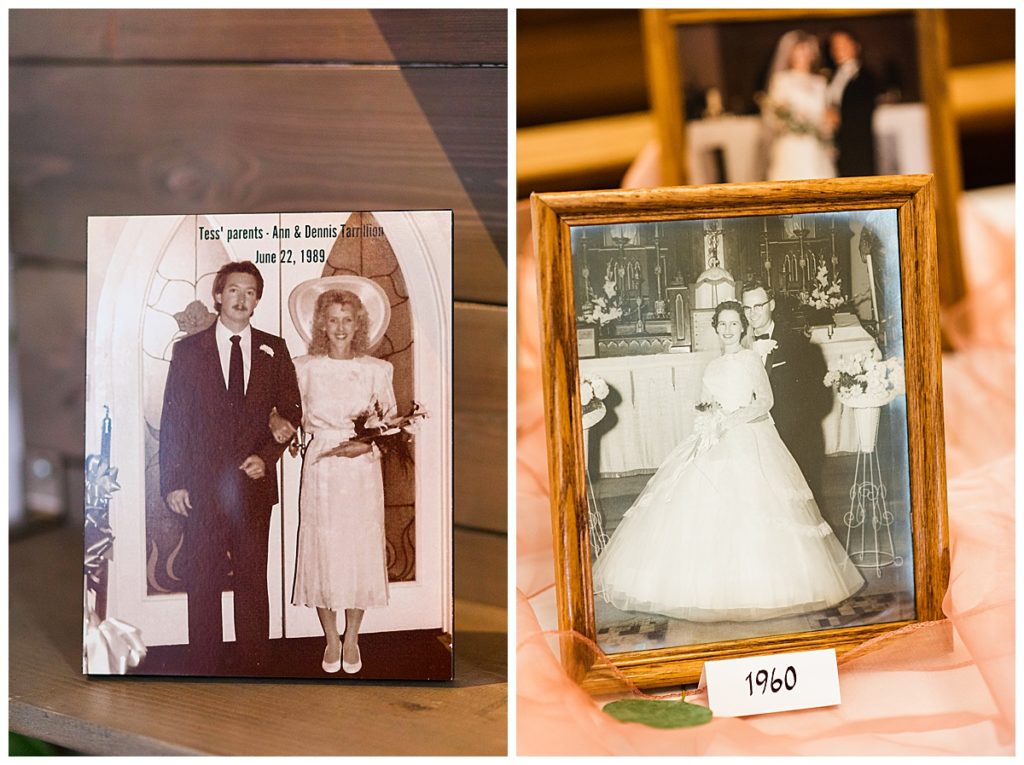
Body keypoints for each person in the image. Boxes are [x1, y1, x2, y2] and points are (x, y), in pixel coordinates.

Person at [592, 301, 862, 622]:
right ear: (716, 327)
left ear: (743, 328)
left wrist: (730, 421)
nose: (729, 330)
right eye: (723, 324)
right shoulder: (713, 366)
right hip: (715, 436)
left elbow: (765, 401)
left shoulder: (749, 360)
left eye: (735, 324)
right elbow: (706, 403)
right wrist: (708, 419)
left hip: (750, 435)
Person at [160, 261, 302, 674]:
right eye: (234, 290)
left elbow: (292, 409)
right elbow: (174, 422)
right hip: (201, 487)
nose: (242, 299)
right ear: (218, 296)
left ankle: (253, 662)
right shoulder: (188, 351)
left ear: (258, 300)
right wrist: (174, 482)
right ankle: (204, 664)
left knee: (252, 579)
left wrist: (268, 457)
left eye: (251, 292)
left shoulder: (274, 349)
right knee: (202, 579)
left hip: (252, 486)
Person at [271, 277, 395, 674]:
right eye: (333, 319)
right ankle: (330, 638)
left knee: (358, 547)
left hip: (361, 467)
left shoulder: (377, 369)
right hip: (322, 462)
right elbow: (285, 412)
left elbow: (390, 425)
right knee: (322, 549)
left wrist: (369, 444)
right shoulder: (303, 368)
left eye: (348, 319)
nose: (340, 327)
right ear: (321, 325)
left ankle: (353, 637)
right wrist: (287, 432)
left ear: (359, 325)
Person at [740, 282, 830, 502]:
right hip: (756, 440)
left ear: (771, 304)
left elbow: (820, 399)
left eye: (758, 306)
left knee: (801, 504)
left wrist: (792, 429)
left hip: (794, 440)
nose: (753, 313)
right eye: (747, 308)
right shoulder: (740, 346)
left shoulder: (797, 343)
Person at [761, 30, 836, 181]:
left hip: (815, 145)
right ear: (791, 53)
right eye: (801, 49)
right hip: (792, 144)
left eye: (808, 49)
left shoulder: (820, 82)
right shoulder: (781, 80)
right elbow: (773, 115)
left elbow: (826, 115)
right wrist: (789, 121)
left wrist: (829, 123)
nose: (805, 53)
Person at [825, 28, 879, 177]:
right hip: (835, 147)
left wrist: (838, 117)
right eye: (834, 46)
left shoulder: (866, 77)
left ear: (856, 46)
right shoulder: (831, 77)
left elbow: (862, 112)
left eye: (843, 44)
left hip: (857, 148)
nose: (838, 50)